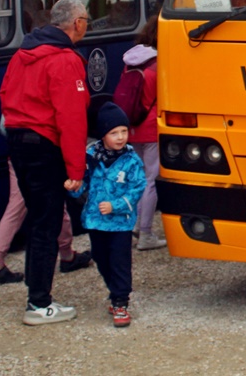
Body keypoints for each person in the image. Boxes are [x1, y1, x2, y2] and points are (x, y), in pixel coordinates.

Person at [0, 0, 90, 326]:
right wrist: (76, 170)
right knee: (46, 223)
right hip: (45, 145)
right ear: (76, 23)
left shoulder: (22, 54)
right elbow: (72, 119)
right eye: (86, 21)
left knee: (39, 218)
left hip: (18, 141)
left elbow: (5, 95)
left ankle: (36, 290)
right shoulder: (65, 60)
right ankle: (38, 302)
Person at [70, 103, 146, 328]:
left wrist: (117, 205)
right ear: (103, 134)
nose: (120, 137)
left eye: (124, 131)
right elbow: (81, 181)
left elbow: (137, 187)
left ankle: (121, 301)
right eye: (114, 133)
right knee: (101, 258)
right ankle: (114, 291)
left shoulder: (131, 160)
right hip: (95, 220)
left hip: (120, 223)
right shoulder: (90, 156)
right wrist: (73, 186)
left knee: (120, 261)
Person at [0, 158, 91, 287]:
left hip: (17, 154)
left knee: (15, 209)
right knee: (55, 204)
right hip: (42, 156)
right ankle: (67, 255)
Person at [124, 15, 164, 251]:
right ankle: (146, 232)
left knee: (137, 179)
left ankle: (133, 227)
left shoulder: (131, 60)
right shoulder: (159, 64)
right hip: (151, 126)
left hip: (131, 125)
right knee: (151, 180)